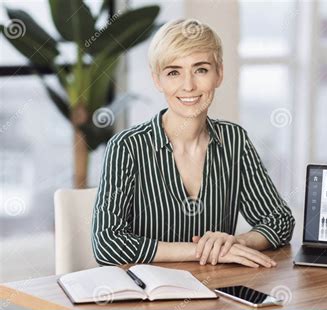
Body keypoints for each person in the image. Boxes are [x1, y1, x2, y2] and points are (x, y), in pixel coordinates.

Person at [92, 19, 295, 268]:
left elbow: (280, 220)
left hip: (217, 294)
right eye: (173, 72)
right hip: (148, 298)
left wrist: (236, 244)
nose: (188, 85)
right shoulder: (127, 147)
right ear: (157, 80)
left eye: (201, 70)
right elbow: (107, 243)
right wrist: (201, 250)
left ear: (219, 73)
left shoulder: (234, 140)